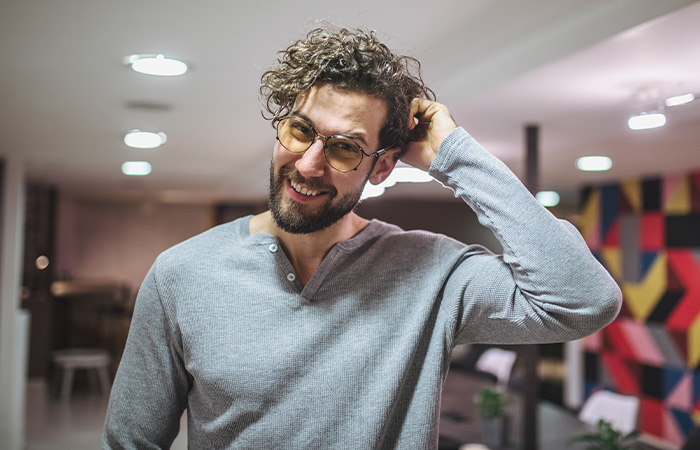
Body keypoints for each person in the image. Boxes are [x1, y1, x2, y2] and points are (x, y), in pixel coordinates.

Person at [102, 25, 622, 449]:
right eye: (301, 130)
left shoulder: (433, 274)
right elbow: (131, 441)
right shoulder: (182, 273)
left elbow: (583, 299)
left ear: (382, 169)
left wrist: (455, 156)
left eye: (345, 148)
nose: (308, 165)